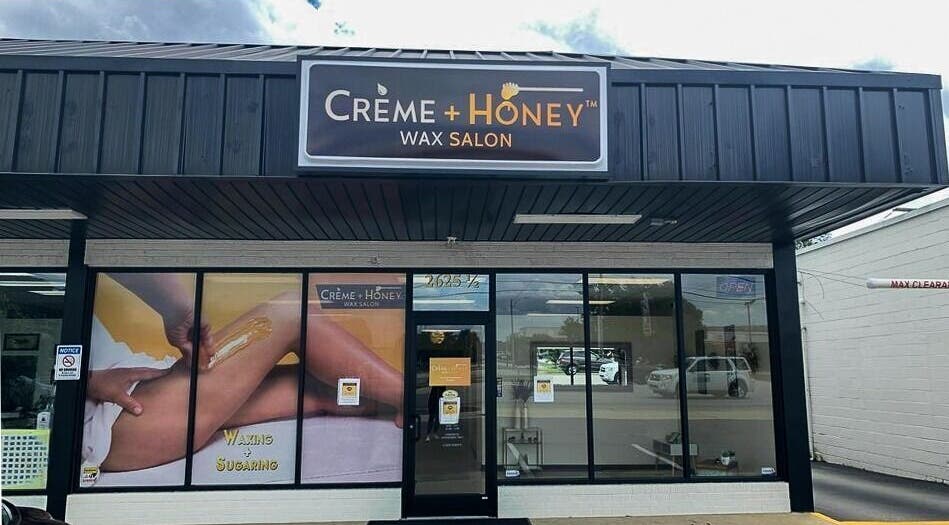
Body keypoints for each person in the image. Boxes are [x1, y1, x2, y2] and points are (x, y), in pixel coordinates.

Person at [83, 273, 403, 474]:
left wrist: (176, 310)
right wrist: (88, 382)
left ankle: (417, 405)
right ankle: (411, 397)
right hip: (119, 417)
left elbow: (115, 250)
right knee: (292, 312)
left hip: (141, 389)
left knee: (318, 389)